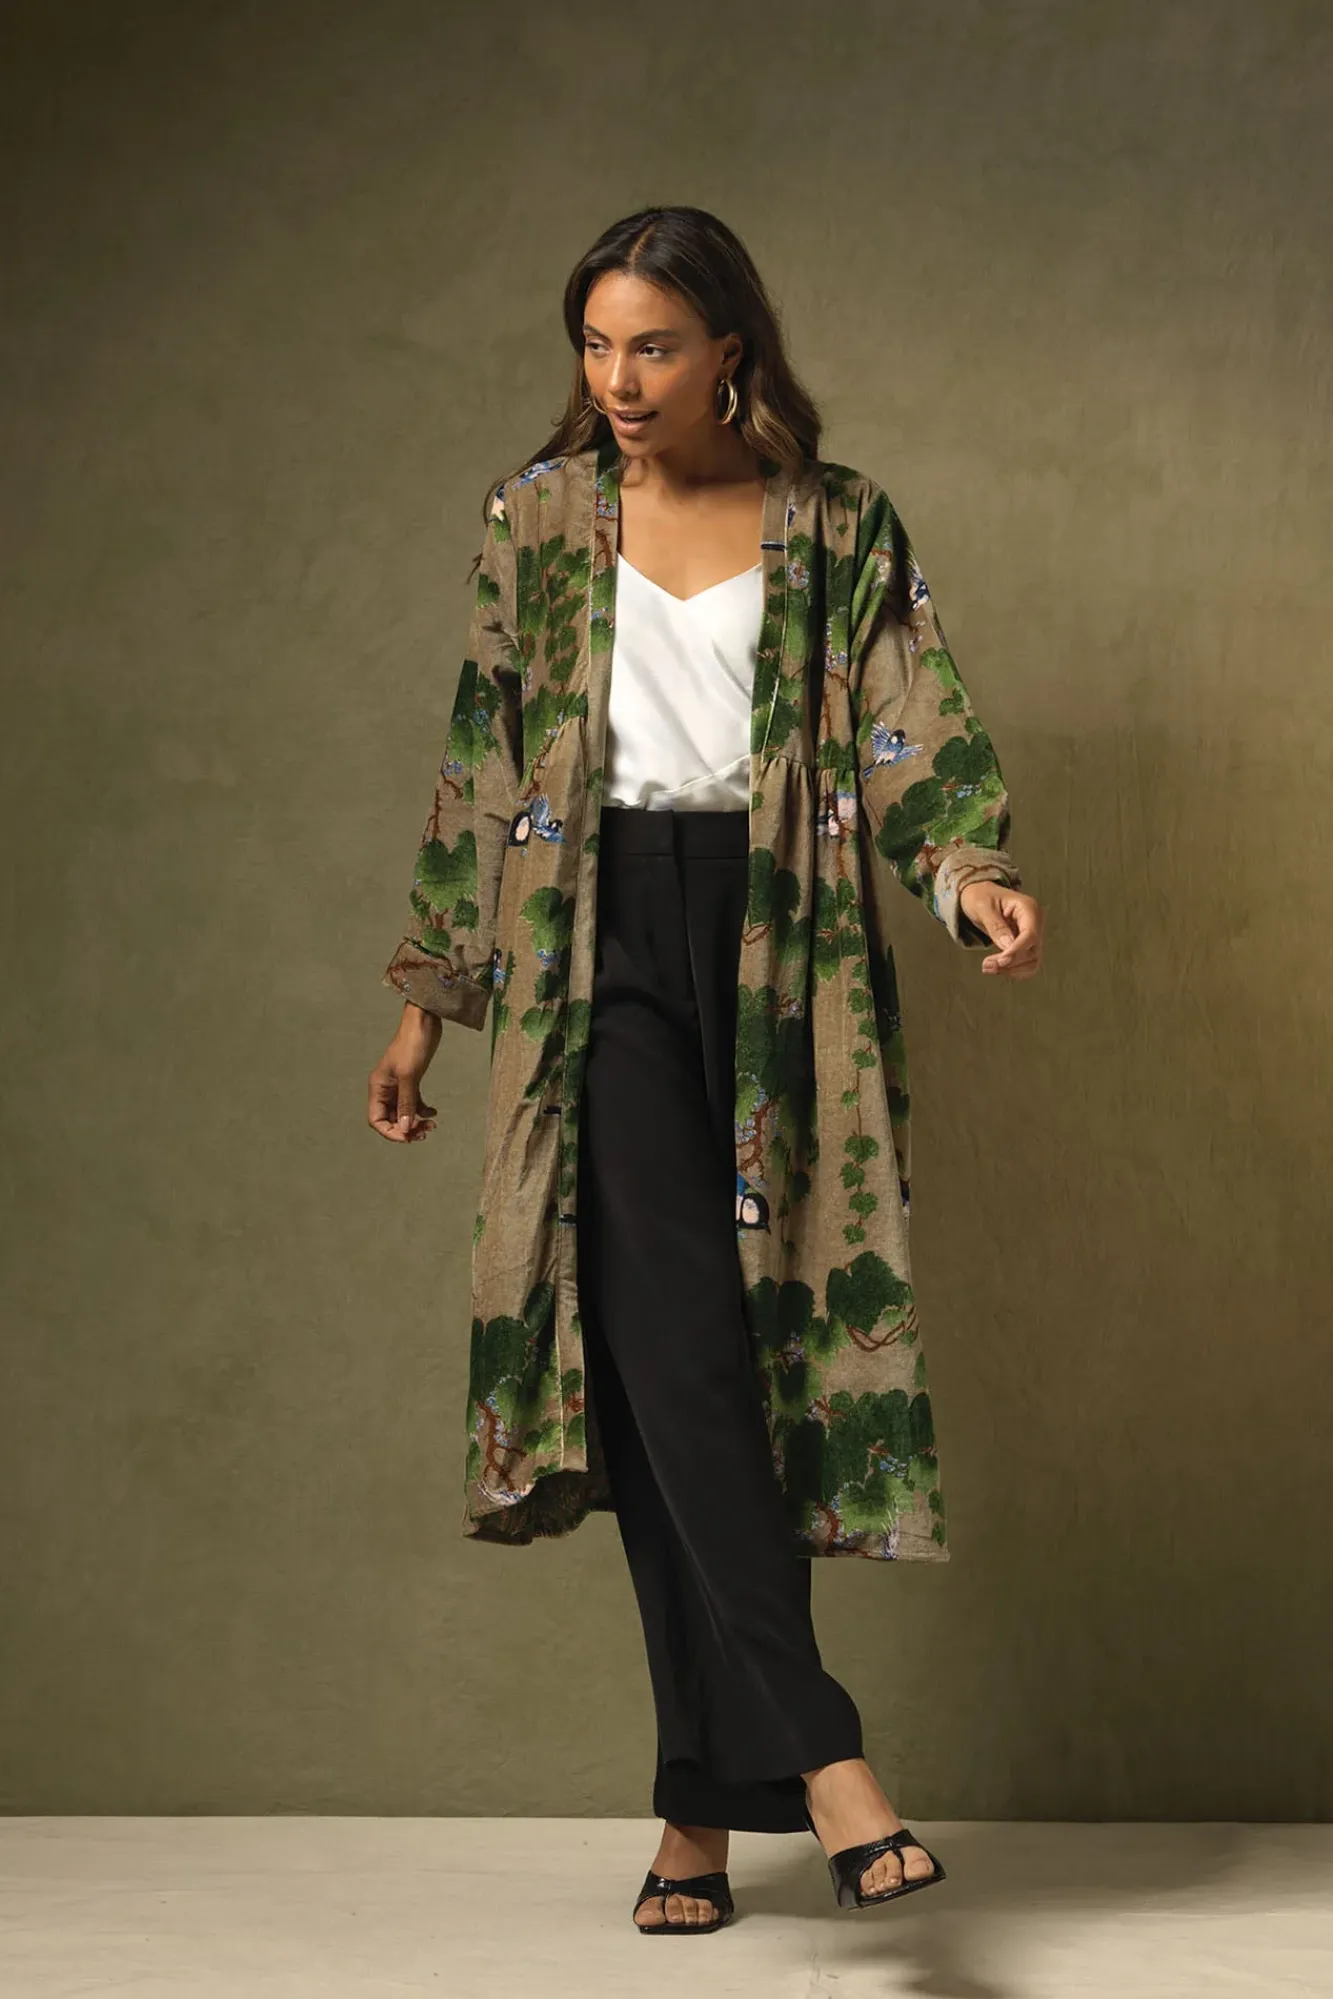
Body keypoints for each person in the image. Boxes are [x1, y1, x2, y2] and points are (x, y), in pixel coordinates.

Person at [367, 205, 1044, 1936]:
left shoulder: (838, 523)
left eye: (653, 345)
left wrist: (968, 876)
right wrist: (432, 996)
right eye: (596, 345)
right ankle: (830, 1761)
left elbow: (906, 724)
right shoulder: (536, 522)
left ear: (729, 348)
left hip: (778, 942)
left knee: (715, 1379)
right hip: (591, 950)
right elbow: (481, 752)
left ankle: (693, 1807)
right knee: (666, 1347)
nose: (618, 378)